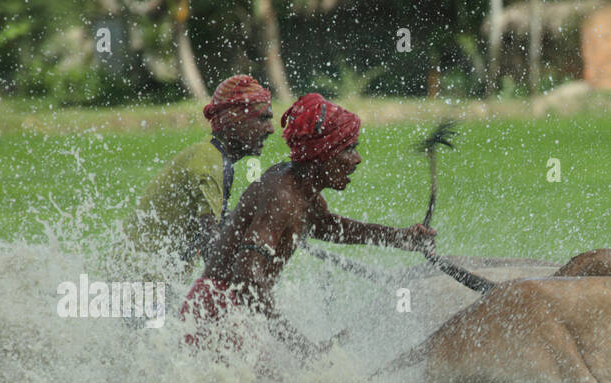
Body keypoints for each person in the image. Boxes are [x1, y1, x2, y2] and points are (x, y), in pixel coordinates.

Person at [179, 92, 436, 363]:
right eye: (348, 149)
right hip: (216, 312)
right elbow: (247, 273)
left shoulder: (303, 189)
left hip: (236, 311)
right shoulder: (283, 195)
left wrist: (400, 238)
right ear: (322, 155)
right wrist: (301, 346)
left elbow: (329, 226)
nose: (357, 159)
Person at [120, 75, 273, 272]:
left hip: (134, 277)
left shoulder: (209, 154)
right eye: (262, 118)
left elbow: (220, 229)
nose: (270, 129)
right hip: (139, 284)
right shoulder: (212, 164)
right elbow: (212, 250)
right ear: (233, 120)